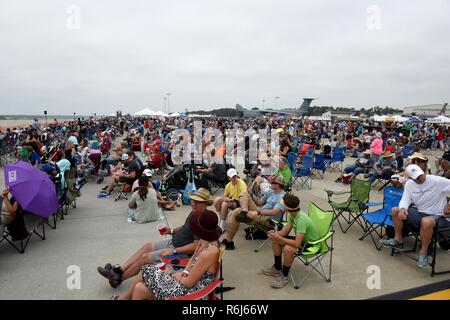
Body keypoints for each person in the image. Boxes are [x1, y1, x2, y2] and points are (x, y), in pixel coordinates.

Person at [97, 188, 214, 288]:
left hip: (179, 251)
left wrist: (173, 250)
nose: (193, 203)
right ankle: (117, 271)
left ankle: (118, 278)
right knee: (147, 246)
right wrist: (171, 230)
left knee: (145, 257)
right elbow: (185, 227)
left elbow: (196, 245)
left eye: (197, 202)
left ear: (205, 204)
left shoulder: (203, 220)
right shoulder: (194, 212)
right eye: (193, 200)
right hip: (173, 242)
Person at [114, 209, 222, 300]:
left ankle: (123, 299)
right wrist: (184, 272)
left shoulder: (209, 252)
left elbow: (188, 283)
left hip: (192, 292)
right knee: (139, 288)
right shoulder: (205, 241)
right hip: (186, 281)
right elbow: (193, 259)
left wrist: (171, 274)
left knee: (145, 270)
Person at [379, 165, 450, 267]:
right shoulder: (409, 184)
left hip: (438, 216)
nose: (420, 178)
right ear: (410, 178)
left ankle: (423, 253)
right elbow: (405, 199)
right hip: (420, 213)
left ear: (423, 171)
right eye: (416, 177)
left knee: (426, 221)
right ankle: (398, 241)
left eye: (420, 175)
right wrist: (403, 208)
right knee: (395, 210)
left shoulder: (437, 181)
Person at [261, 193, 319, 288]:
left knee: (288, 249)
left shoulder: (301, 220)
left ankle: (284, 276)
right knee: (275, 240)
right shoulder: (293, 215)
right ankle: (277, 268)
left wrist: (279, 238)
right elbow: (284, 232)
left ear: (287, 209)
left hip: (311, 245)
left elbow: (296, 244)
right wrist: (274, 234)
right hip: (302, 241)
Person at [221, 175, 287, 250]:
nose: (269, 183)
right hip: (259, 213)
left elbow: (275, 212)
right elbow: (259, 202)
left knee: (236, 212)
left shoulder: (282, 197)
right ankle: (244, 213)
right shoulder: (271, 192)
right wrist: (251, 193)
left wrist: (258, 212)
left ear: (277, 185)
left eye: (271, 182)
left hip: (268, 220)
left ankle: (229, 241)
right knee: (244, 193)